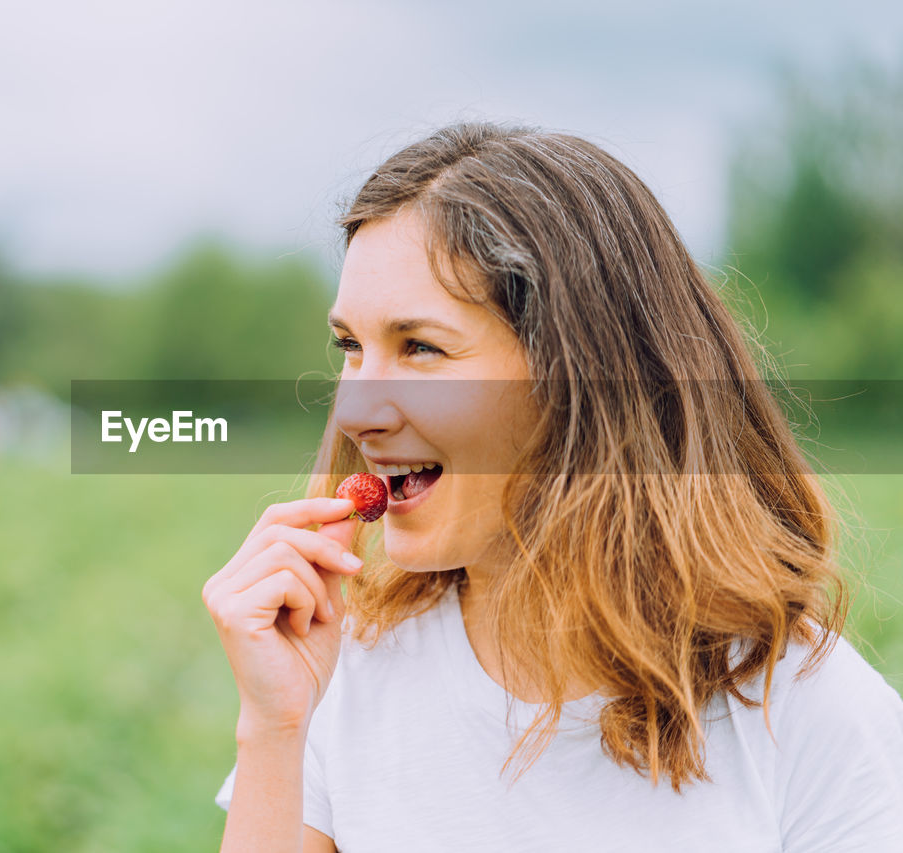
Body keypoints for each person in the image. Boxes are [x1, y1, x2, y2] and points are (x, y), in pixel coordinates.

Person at [200, 121, 903, 852]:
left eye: (420, 347)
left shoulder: (805, 714)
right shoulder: (348, 680)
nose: (355, 410)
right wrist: (274, 726)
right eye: (351, 347)